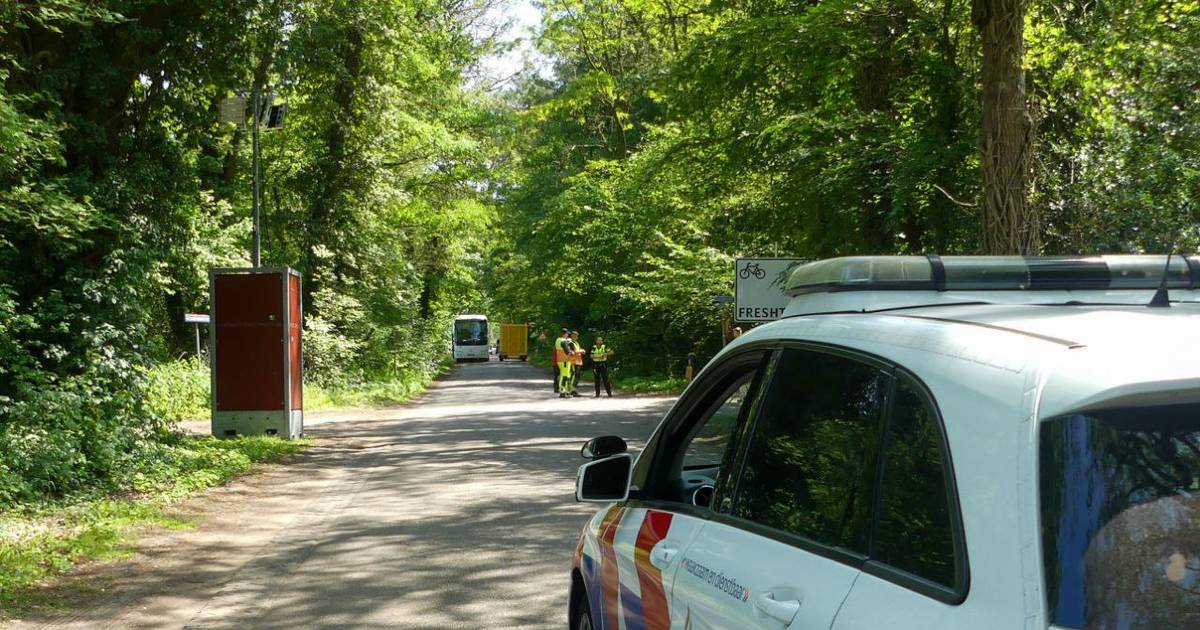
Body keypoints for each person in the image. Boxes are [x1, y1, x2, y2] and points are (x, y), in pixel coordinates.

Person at [556, 328, 576, 398]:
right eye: (567, 334)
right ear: (565, 334)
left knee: (563, 375)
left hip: (560, 360)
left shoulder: (558, 340)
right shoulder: (564, 341)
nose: (568, 335)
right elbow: (567, 351)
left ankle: (565, 391)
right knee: (565, 376)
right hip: (565, 360)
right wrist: (572, 352)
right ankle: (562, 391)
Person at [569, 330, 585, 397]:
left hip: (578, 361)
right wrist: (581, 351)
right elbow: (573, 351)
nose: (575, 337)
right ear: (571, 336)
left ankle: (574, 390)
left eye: (576, 336)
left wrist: (582, 351)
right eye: (574, 335)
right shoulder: (570, 343)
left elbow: (577, 350)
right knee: (574, 376)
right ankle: (571, 390)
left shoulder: (576, 343)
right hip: (573, 362)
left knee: (577, 376)